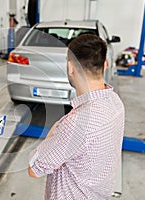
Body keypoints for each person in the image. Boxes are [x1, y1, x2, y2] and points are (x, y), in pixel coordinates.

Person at [28, 34, 125, 199]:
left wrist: (55, 130)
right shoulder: (115, 103)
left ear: (70, 67)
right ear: (105, 64)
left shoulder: (76, 124)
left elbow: (34, 169)